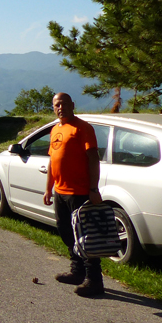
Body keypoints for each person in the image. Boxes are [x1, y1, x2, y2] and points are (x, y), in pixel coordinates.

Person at [43, 92, 105, 298]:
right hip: (60, 192)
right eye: (56, 105)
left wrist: (93, 189)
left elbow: (93, 159)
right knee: (65, 232)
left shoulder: (83, 128)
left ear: (72, 105)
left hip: (79, 193)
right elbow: (53, 161)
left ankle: (94, 280)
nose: (60, 108)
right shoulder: (55, 130)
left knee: (85, 237)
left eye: (63, 104)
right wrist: (48, 188)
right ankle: (77, 272)